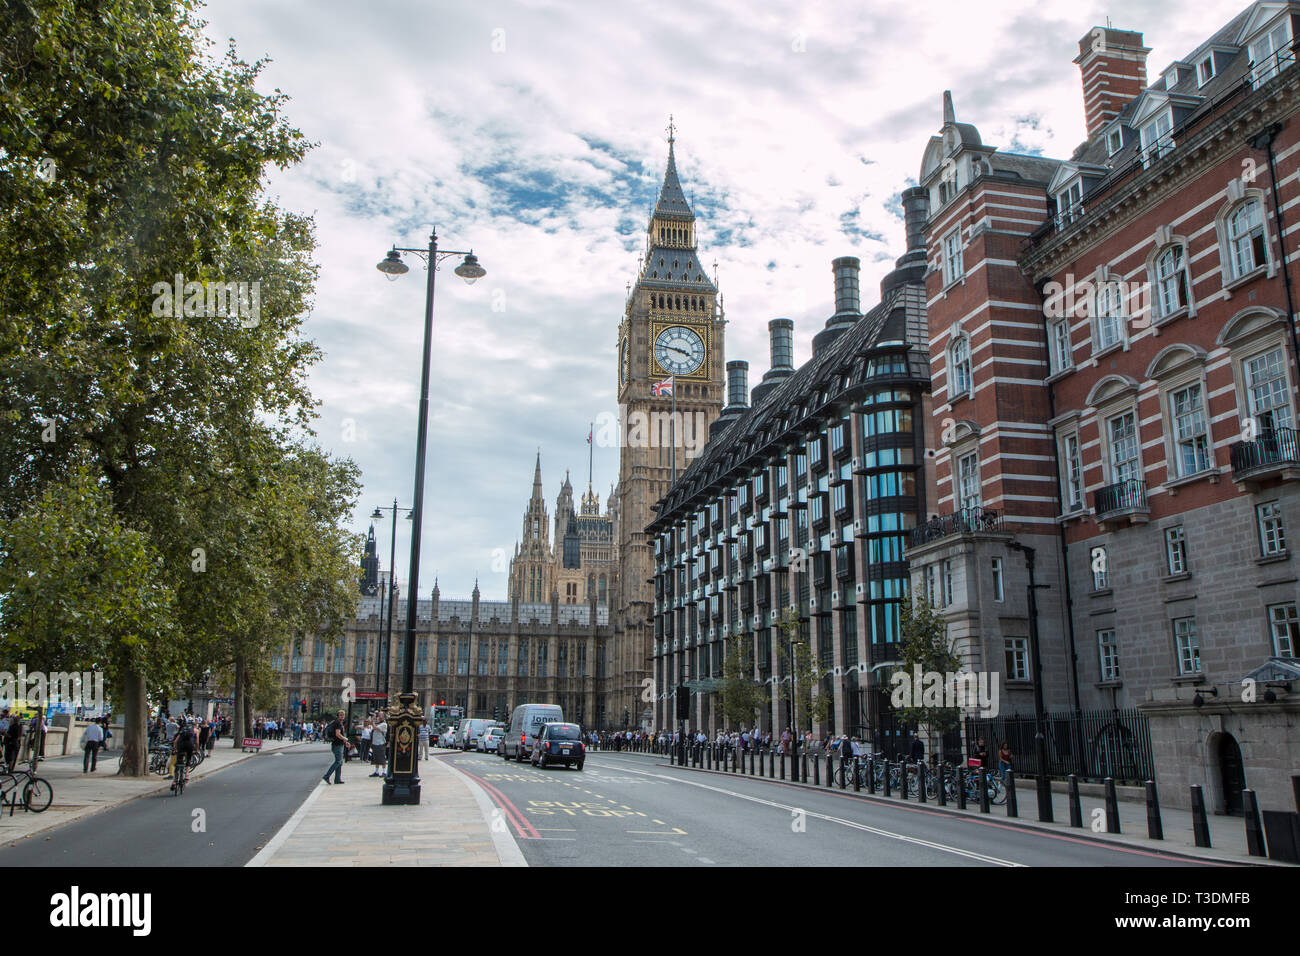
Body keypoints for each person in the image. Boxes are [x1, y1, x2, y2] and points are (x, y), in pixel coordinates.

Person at [170, 720, 198, 791]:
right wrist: (196, 750)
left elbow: (175, 741)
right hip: (190, 745)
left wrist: (175, 749)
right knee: (188, 759)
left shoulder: (182, 730)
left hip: (181, 745)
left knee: (178, 763)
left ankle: (174, 782)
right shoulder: (195, 730)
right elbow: (197, 741)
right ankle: (186, 775)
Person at [322, 709, 348, 785]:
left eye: (343, 715)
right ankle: (327, 776)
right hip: (337, 745)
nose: (342, 716)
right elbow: (338, 734)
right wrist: (345, 739)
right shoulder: (338, 723)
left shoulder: (338, 723)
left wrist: (345, 742)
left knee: (339, 762)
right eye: (341, 715)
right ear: (338, 716)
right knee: (338, 761)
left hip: (338, 744)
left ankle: (337, 779)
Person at [370, 712, 387, 777]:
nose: (379, 716)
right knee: (376, 758)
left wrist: (373, 721)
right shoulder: (378, 723)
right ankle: (376, 771)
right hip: (375, 742)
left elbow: (375, 728)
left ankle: (384, 771)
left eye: (380, 715)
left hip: (380, 743)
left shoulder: (384, 724)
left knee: (382, 757)